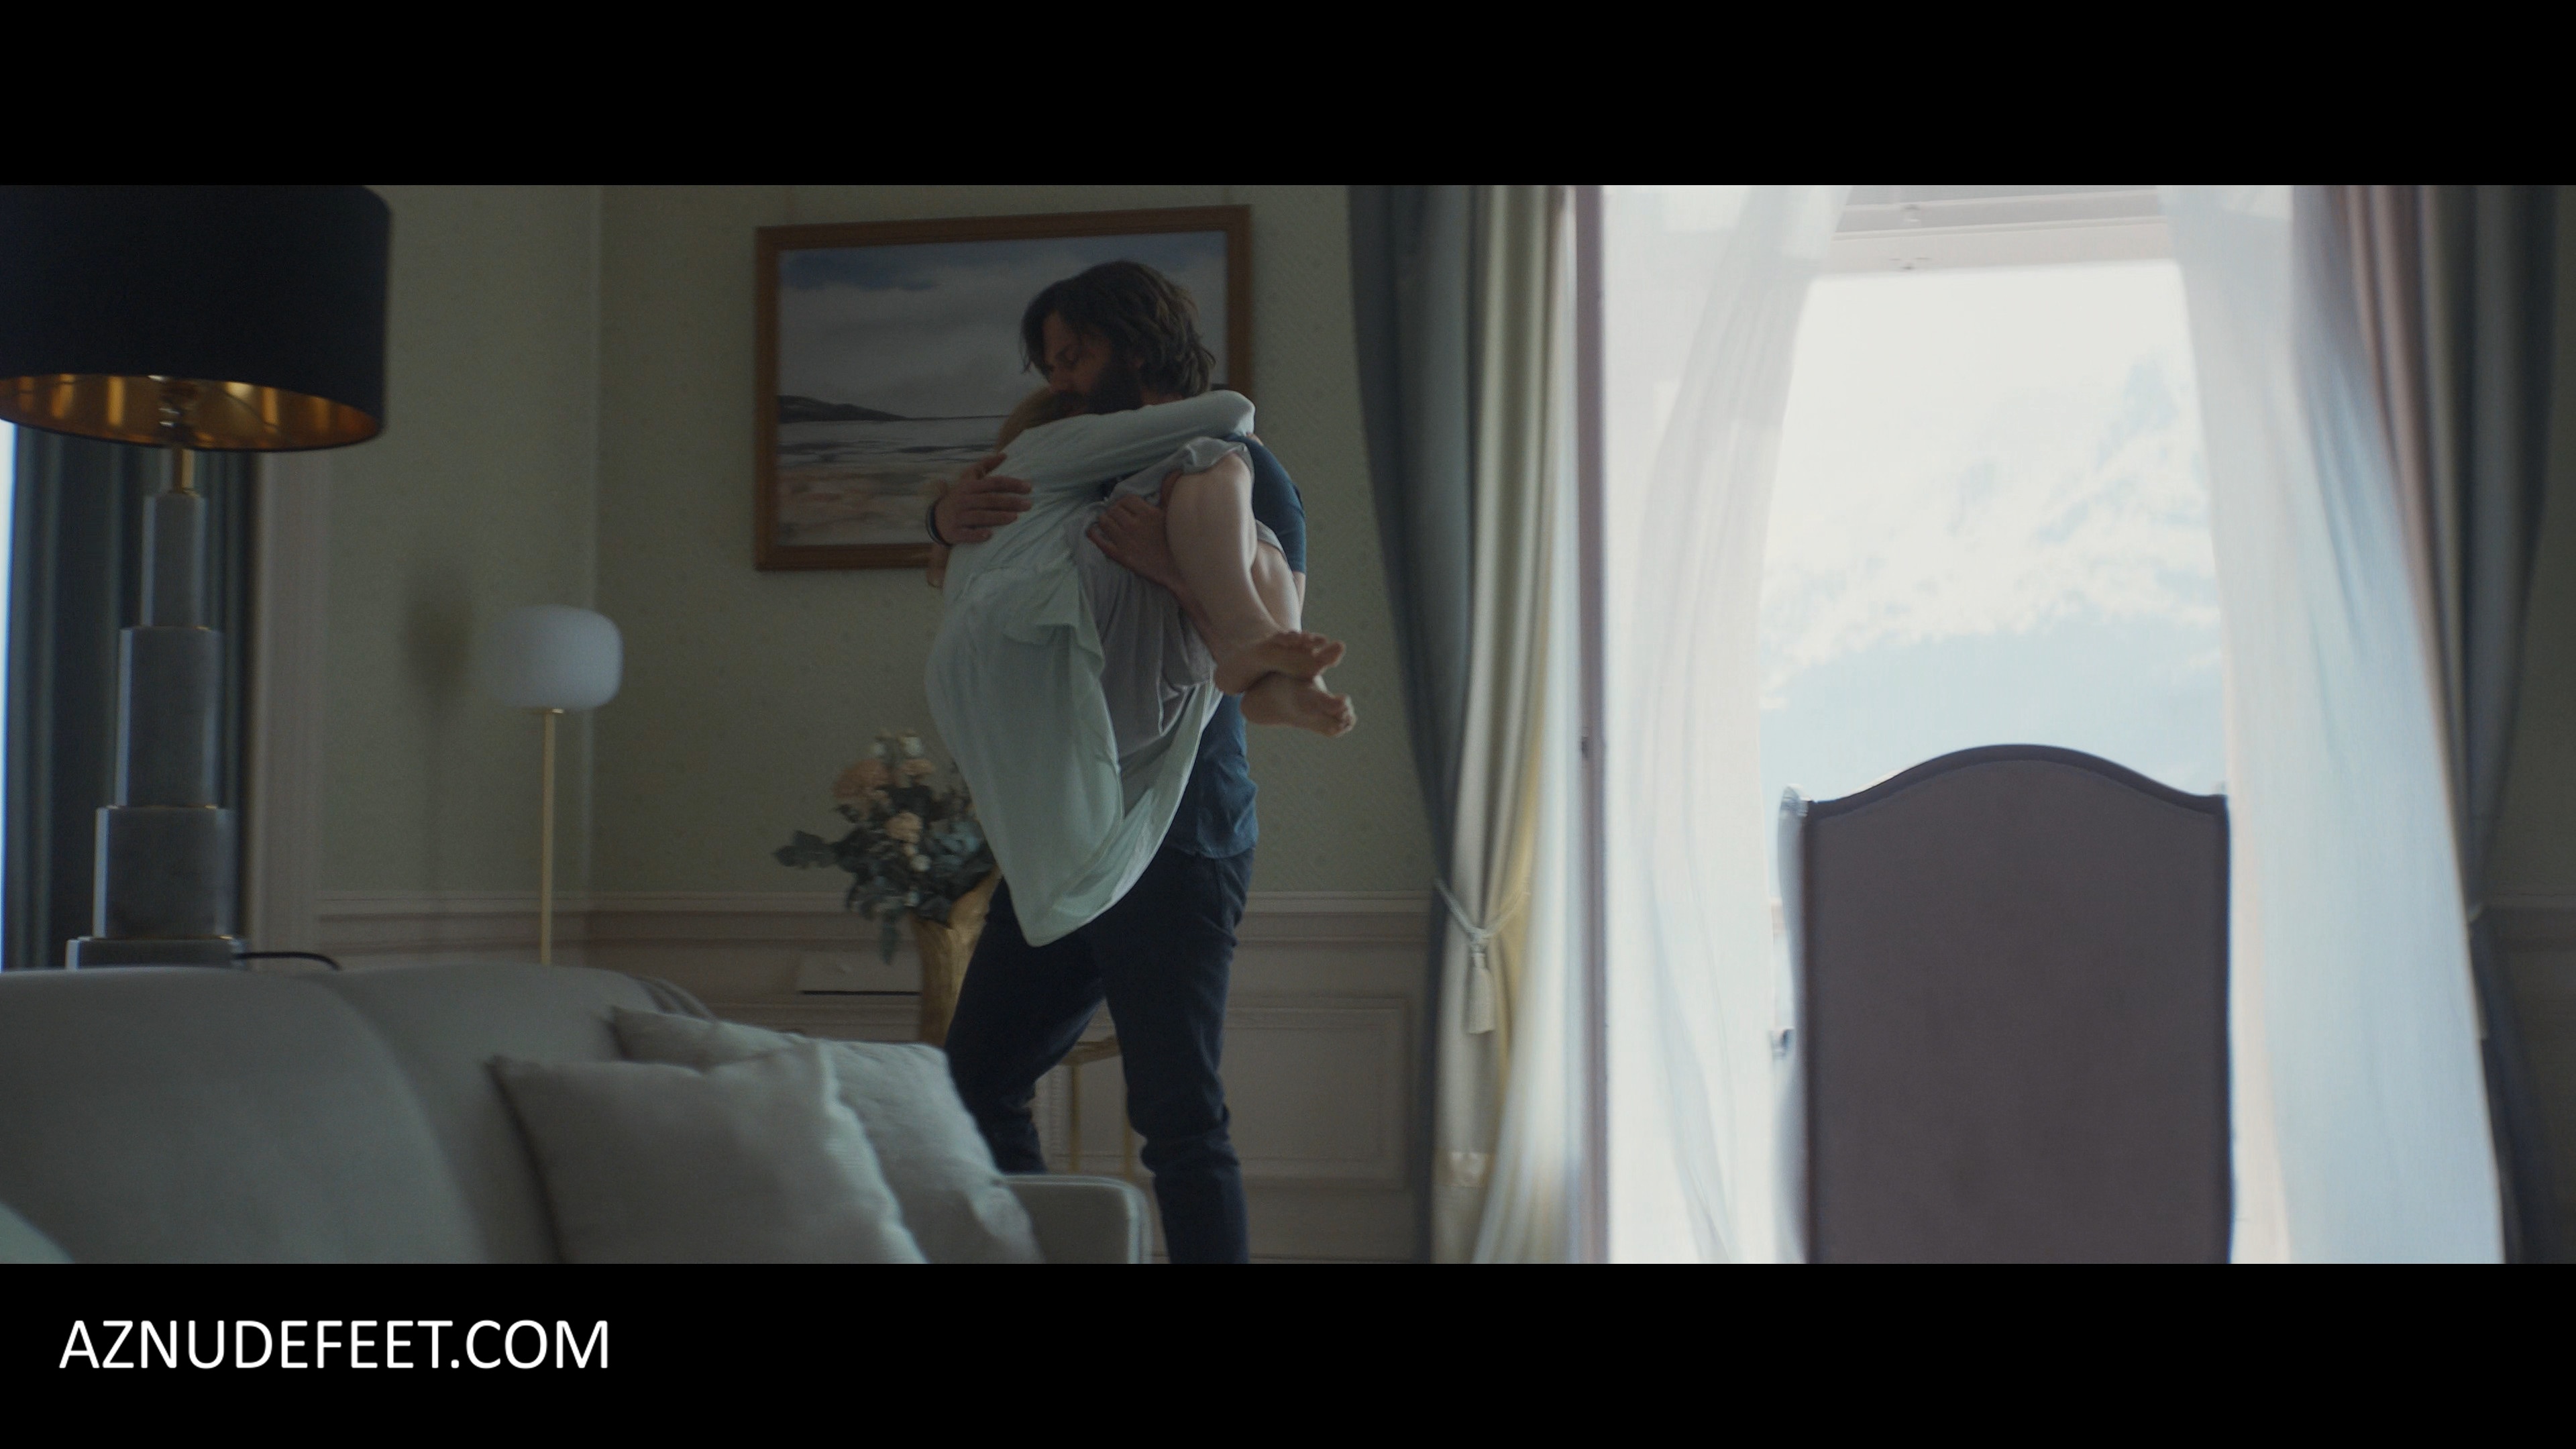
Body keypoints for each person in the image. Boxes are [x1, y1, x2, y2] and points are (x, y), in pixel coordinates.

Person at [928, 261, 1332, 1261]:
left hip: (1180, 830)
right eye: (1051, 365)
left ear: (1138, 345)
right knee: (975, 1082)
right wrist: (939, 519)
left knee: (1178, 1117)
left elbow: (1267, 639)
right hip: (1062, 828)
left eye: (1076, 356)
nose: (1061, 380)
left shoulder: (1235, 469)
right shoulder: (1069, 468)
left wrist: (1170, 569)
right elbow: (971, 571)